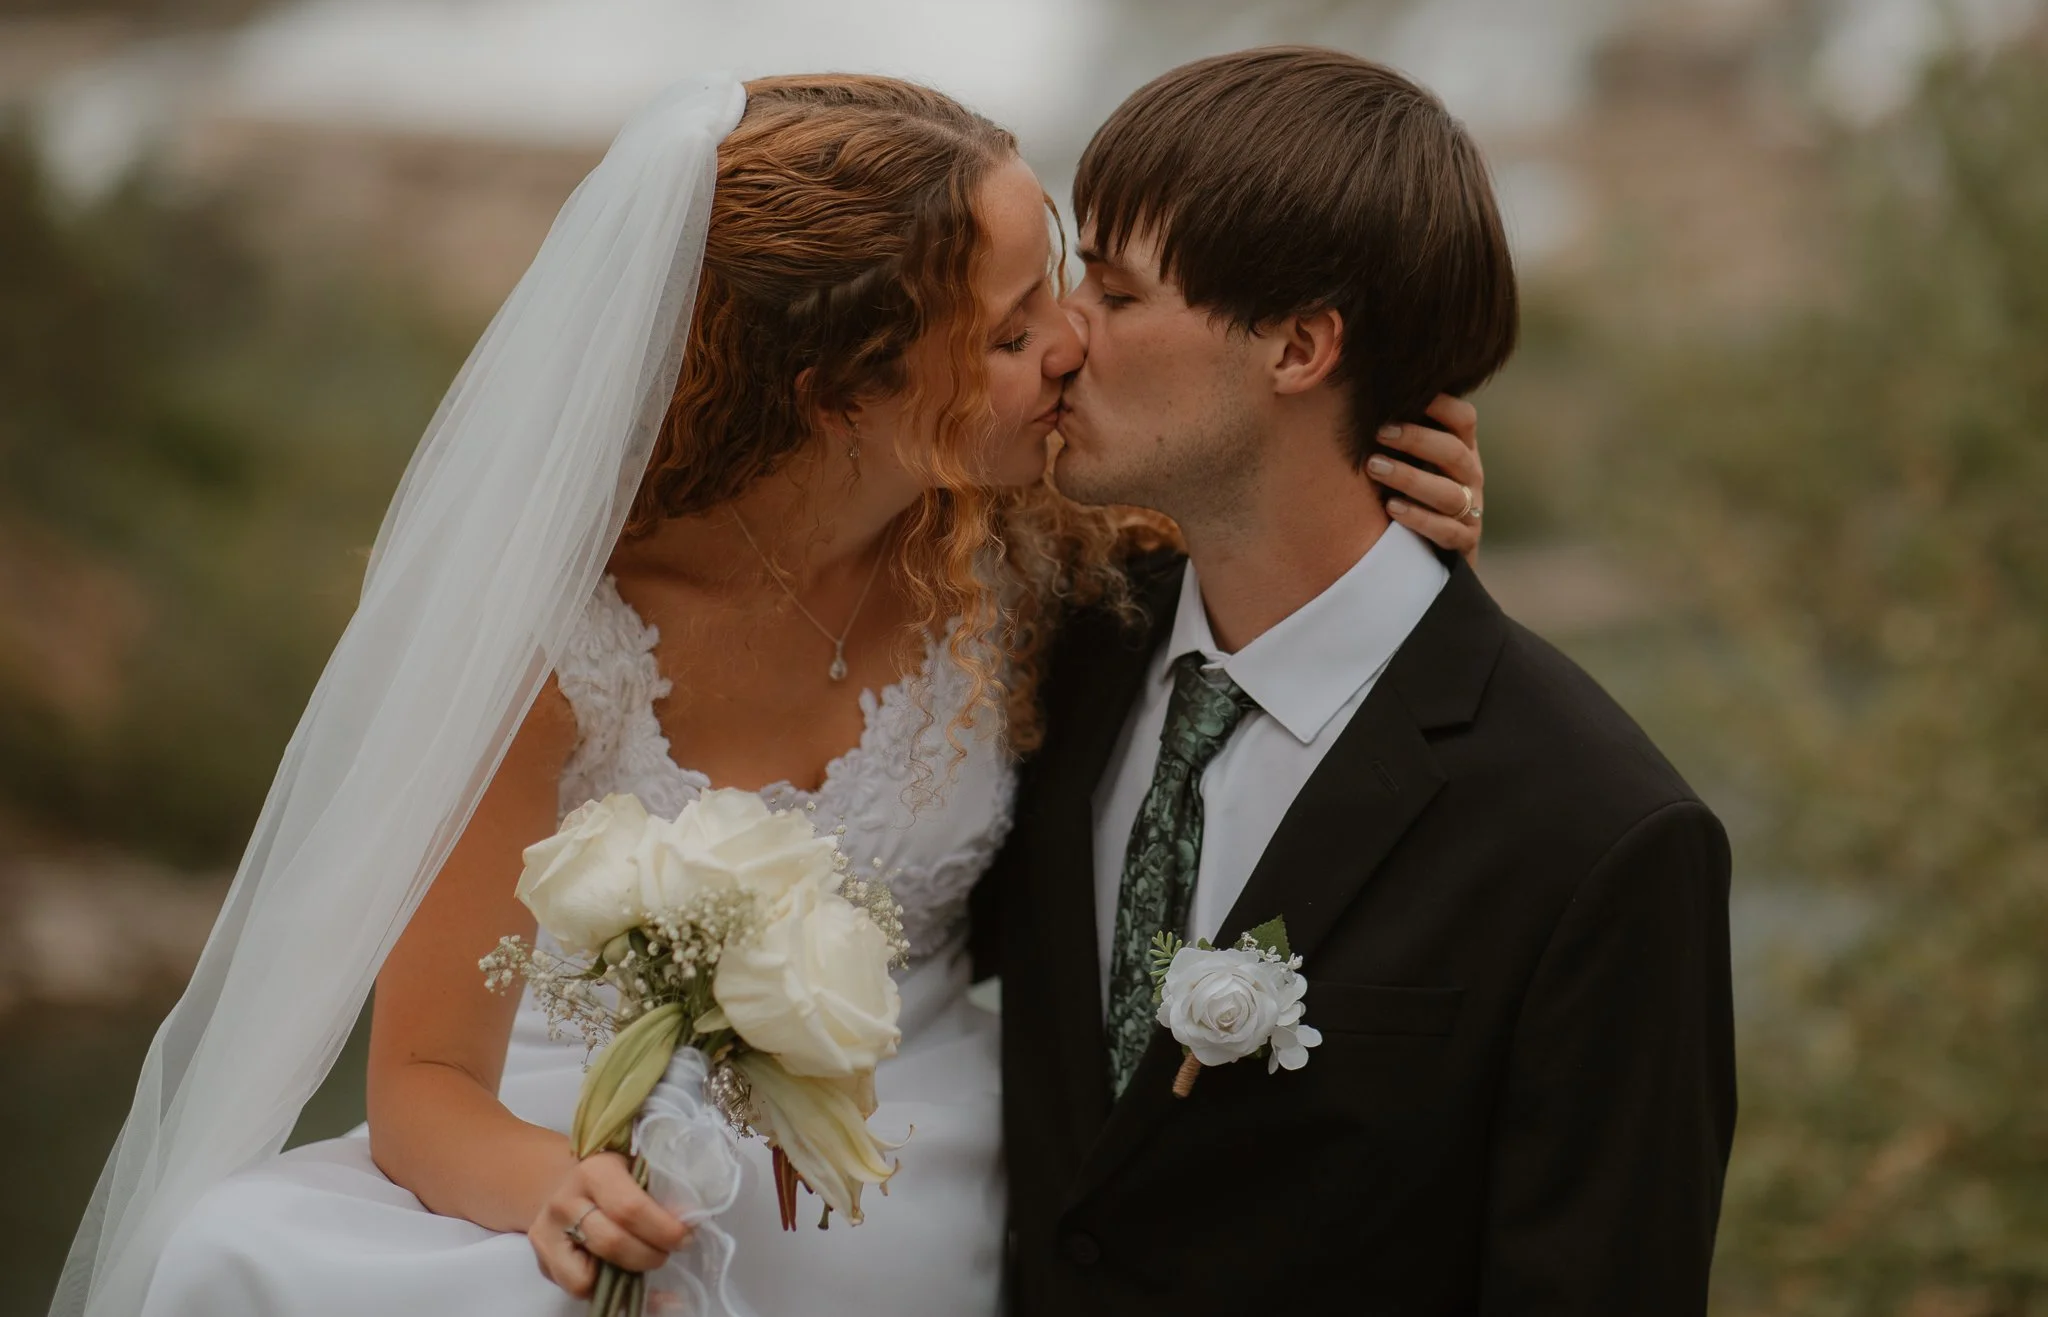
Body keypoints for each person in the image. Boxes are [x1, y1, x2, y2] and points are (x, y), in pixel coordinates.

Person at [54, 72, 1484, 1317]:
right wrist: (561, 1196)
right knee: (239, 1256)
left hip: (925, 1140)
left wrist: (1394, 519)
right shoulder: (553, 640)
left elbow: (1280, 582)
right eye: (1005, 330)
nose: (1067, 343)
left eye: (1063, 282)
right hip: (569, 1128)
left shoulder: (1047, 543)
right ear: (835, 392)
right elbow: (424, 1080)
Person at [990, 47, 1737, 1315]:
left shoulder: (1599, 836)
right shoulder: (1053, 661)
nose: (1062, 339)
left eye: (1114, 293)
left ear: (1298, 346)